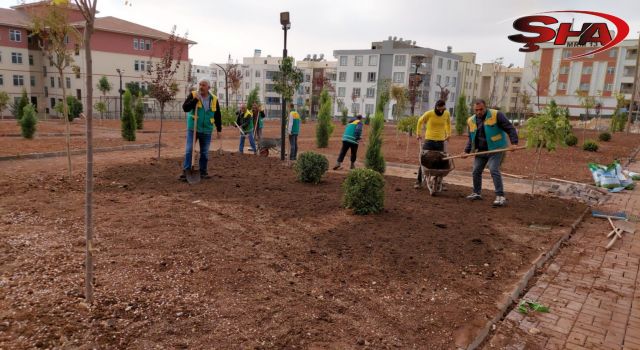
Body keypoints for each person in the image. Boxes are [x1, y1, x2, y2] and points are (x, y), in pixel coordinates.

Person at [463, 99, 519, 207]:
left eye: (481, 109)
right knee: (476, 171)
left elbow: (510, 128)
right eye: (476, 110)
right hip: (481, 150)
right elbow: (471, 138)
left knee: (493, 169)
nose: (479, 112)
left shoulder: (496, 114)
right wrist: (466, 151)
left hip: (496, 148)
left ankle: (500, 196)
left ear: (486, 107)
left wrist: (514, 143)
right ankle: (476, 193)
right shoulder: (471, 120)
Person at [179, 79, 221, 181]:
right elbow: (185, 108)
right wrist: (195, 100)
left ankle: (203, 172)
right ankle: (186, 171)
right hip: (193, 128)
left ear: (208, 88)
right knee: (189, 150)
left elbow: (217, 115)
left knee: (205, 153)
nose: (201, 87)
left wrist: (219, 129)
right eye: (200, 84)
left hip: (207, 130)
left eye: (204, 85)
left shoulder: (214, 99)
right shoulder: (194, 95)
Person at [415, 99, 451, 189]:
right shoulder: (429, 114)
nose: (441, 111)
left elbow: (448, 124)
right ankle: (418, 181)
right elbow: (420, 121)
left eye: (443, 109)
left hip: (440, 141)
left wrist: (448, 134)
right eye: (439, 109)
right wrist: (418, 133)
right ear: (436, 107)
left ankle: (439, 182)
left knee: (441, 161)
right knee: (423, 160)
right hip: (429, 141)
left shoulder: (446, 114)